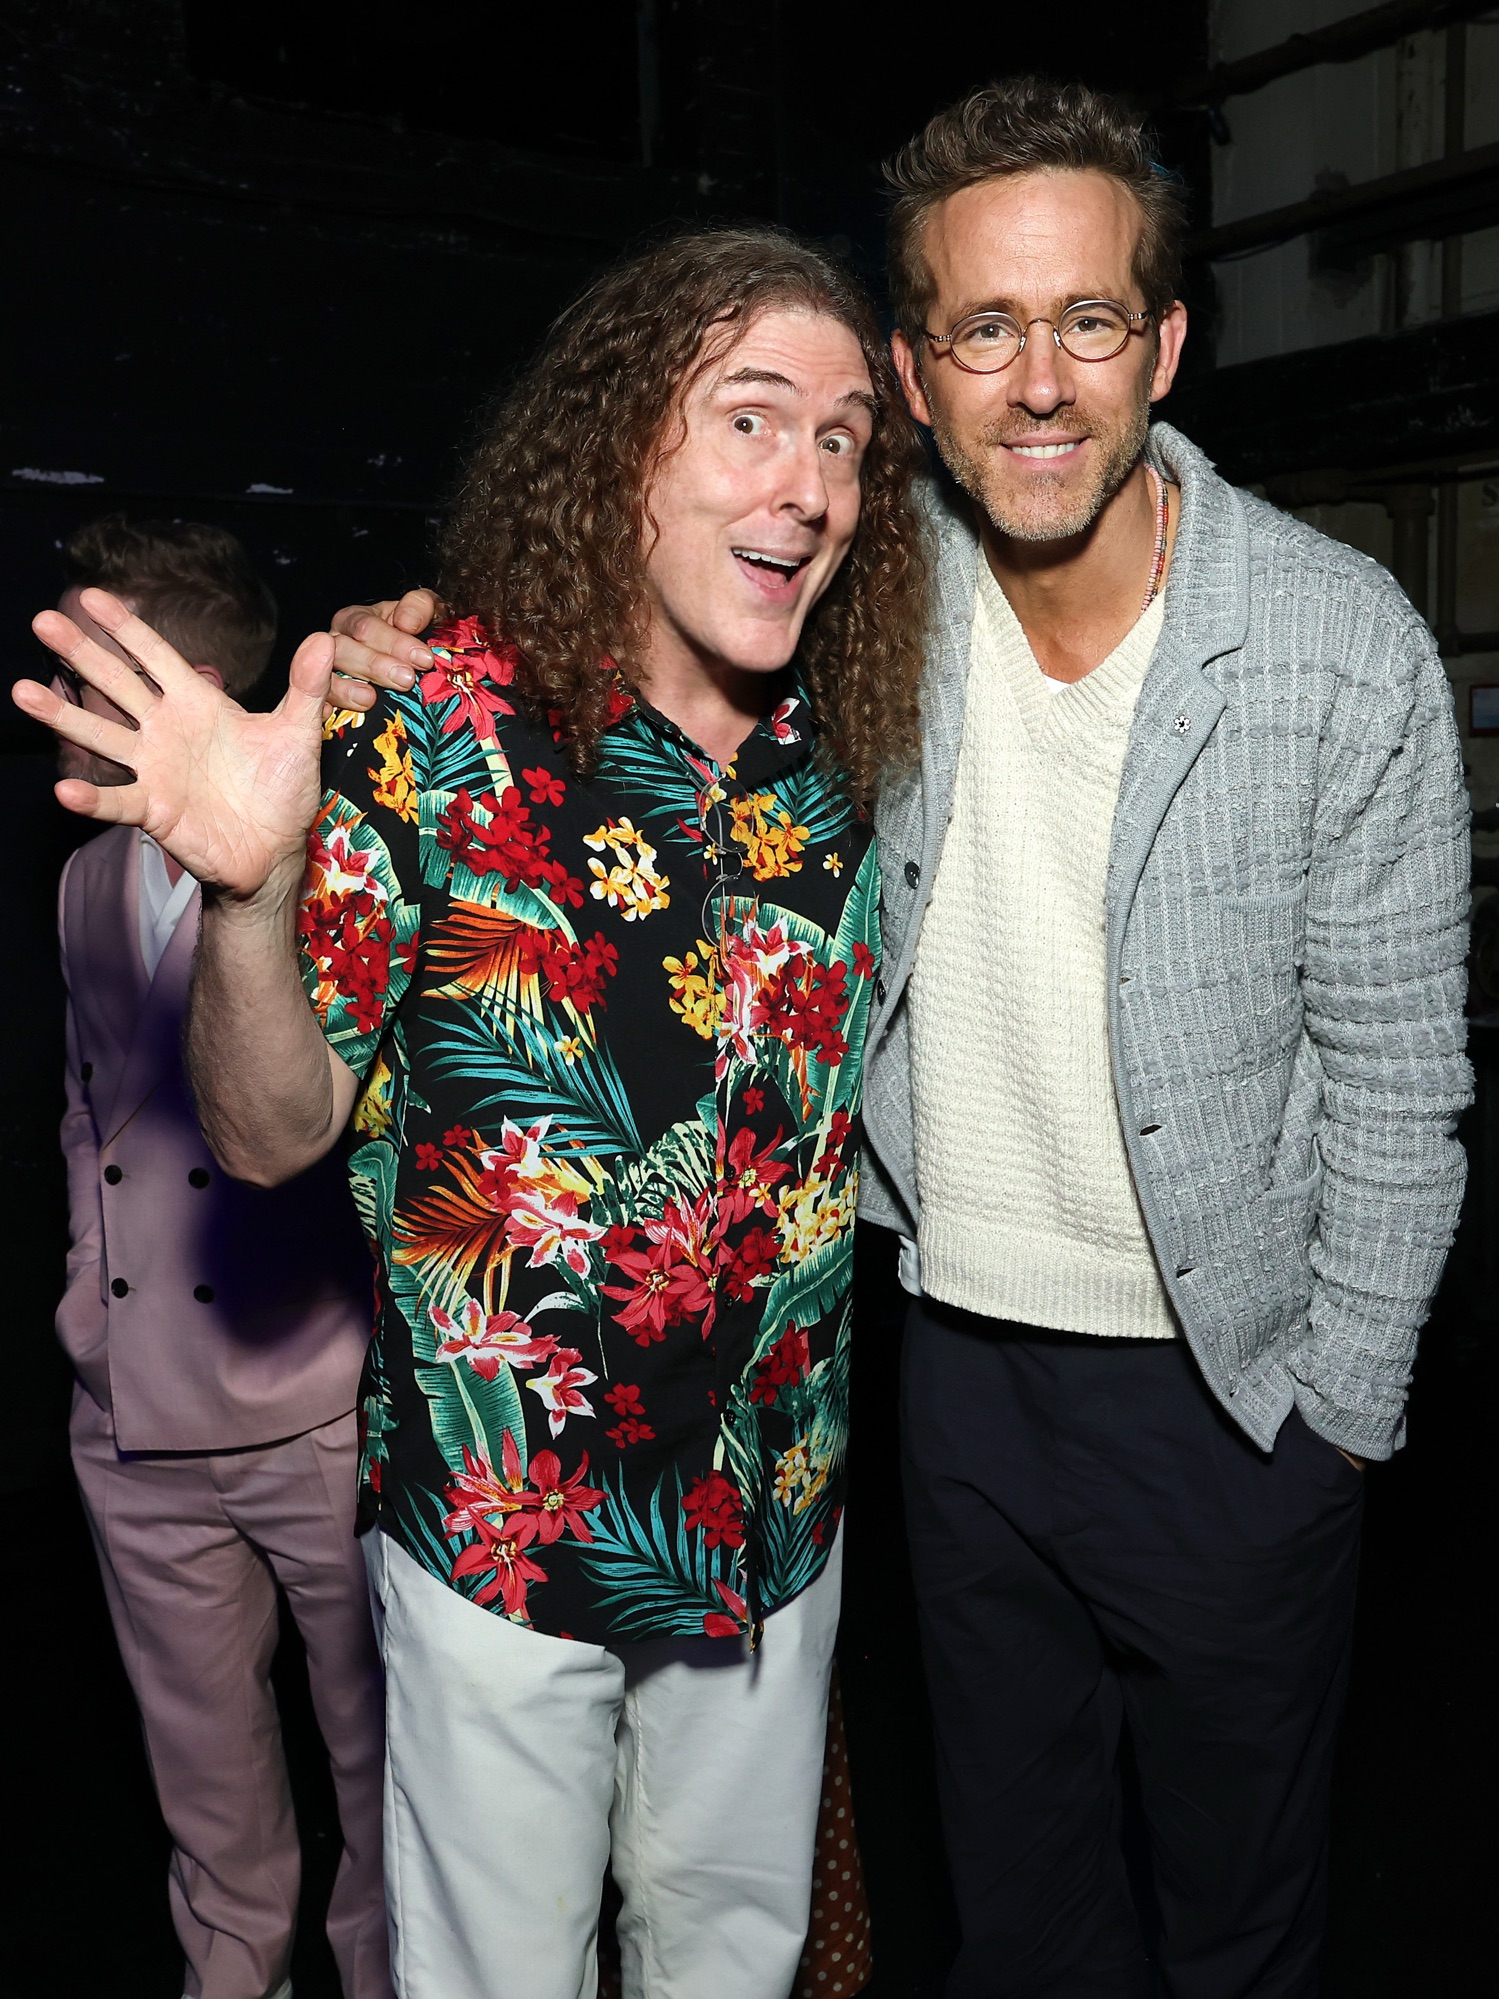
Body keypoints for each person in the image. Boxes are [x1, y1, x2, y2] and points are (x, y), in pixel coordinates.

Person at [324, 79, 1472, 1999]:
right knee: (1014, 1918)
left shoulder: (1338, 645)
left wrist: (1338, 1422)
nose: (1043, 383)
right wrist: (408, 642)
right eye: (985, 331)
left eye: (1089, 319)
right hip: (947, 1390)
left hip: (1234, 1399)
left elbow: (1403, 1081)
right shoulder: (873, 587)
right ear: (922, 382)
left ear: (1166, 343)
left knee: (1240, 1925)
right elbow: (634, 566)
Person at [16, 232, 927, 1999]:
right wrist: (250, 896)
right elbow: (270, 1131)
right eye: (753, 419)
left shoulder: (846, 746)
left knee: (733, 1968)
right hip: (505, 1530)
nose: (808, 484)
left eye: (841, 441)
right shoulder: (434, 723)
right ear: (623, 444)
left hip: (773, 1515)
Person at [45, 516, 390, 1999]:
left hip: (316, 1402)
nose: (55, 694)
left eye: (85, 666)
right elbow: (89, 1109)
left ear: (177, 684)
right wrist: (87, 1305)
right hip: (133, 1414)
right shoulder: (81, 878)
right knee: (205, 1786)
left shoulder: (334, 858)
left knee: (387, 1767)